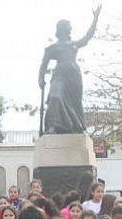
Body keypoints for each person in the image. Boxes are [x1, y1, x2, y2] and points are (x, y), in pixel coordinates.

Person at [38, 6, 101, 134]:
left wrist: (95, 18)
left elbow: (88, 36)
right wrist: (40, 78)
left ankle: (76, 126)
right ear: (61, 29)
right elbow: (43, 64)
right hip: (59, 75)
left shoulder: (74, 44)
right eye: (68, 26)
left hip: (74, 76)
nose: (70, 29)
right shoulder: (52, 47)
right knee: (55, 98)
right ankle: (53, 125)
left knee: (75, 102)